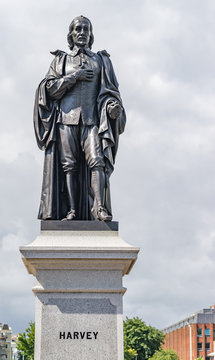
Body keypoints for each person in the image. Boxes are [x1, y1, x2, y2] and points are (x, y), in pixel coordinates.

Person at [34, 15, 126, 221]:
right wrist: (73, 77)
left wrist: (112, 107)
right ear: (71, 35)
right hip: (66, 120)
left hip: (92, 121)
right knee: (69, 166)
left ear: (91, 34)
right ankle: (73, 210)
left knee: (97, 161)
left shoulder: (101, 60)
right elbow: (49, 89)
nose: (82, 33)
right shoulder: (61, 61)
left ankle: (99, 208)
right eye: (78, 29)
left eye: (86, 29)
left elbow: (111, 92)